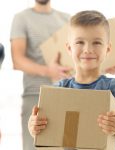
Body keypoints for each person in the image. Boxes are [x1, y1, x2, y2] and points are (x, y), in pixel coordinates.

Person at [28, 10, 115, 150]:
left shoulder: (114, 87)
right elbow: (43, 130)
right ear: (69, 48)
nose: (87, 49)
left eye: (96, 42)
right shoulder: (59, 89)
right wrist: (33, 125)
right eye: (80, 42)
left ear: (108, 49)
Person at [10, 0, 72, 150]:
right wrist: (48, 71)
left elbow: (77, 55)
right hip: (36, 96)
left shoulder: (67, 19)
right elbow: (17, 60)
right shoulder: (21, 18)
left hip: (66, 96)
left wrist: (104, 65)